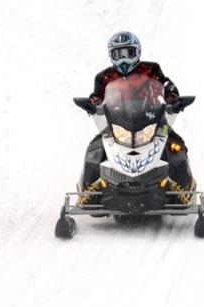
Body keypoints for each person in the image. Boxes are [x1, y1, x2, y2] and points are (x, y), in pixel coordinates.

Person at [80, 32, 196, 202]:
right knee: (95, 148)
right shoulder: (104, 77)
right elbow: (97, 96)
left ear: (137, 51)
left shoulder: (151, 70)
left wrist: (174, 99)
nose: (123, 59)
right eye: (118, 54)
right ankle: (88, 192)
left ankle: (183, 188)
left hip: (156, 120)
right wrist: (92, 104)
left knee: (176, 145)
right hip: (116, 123)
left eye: (128, 53)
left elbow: (167, 85)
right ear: (111, 55)